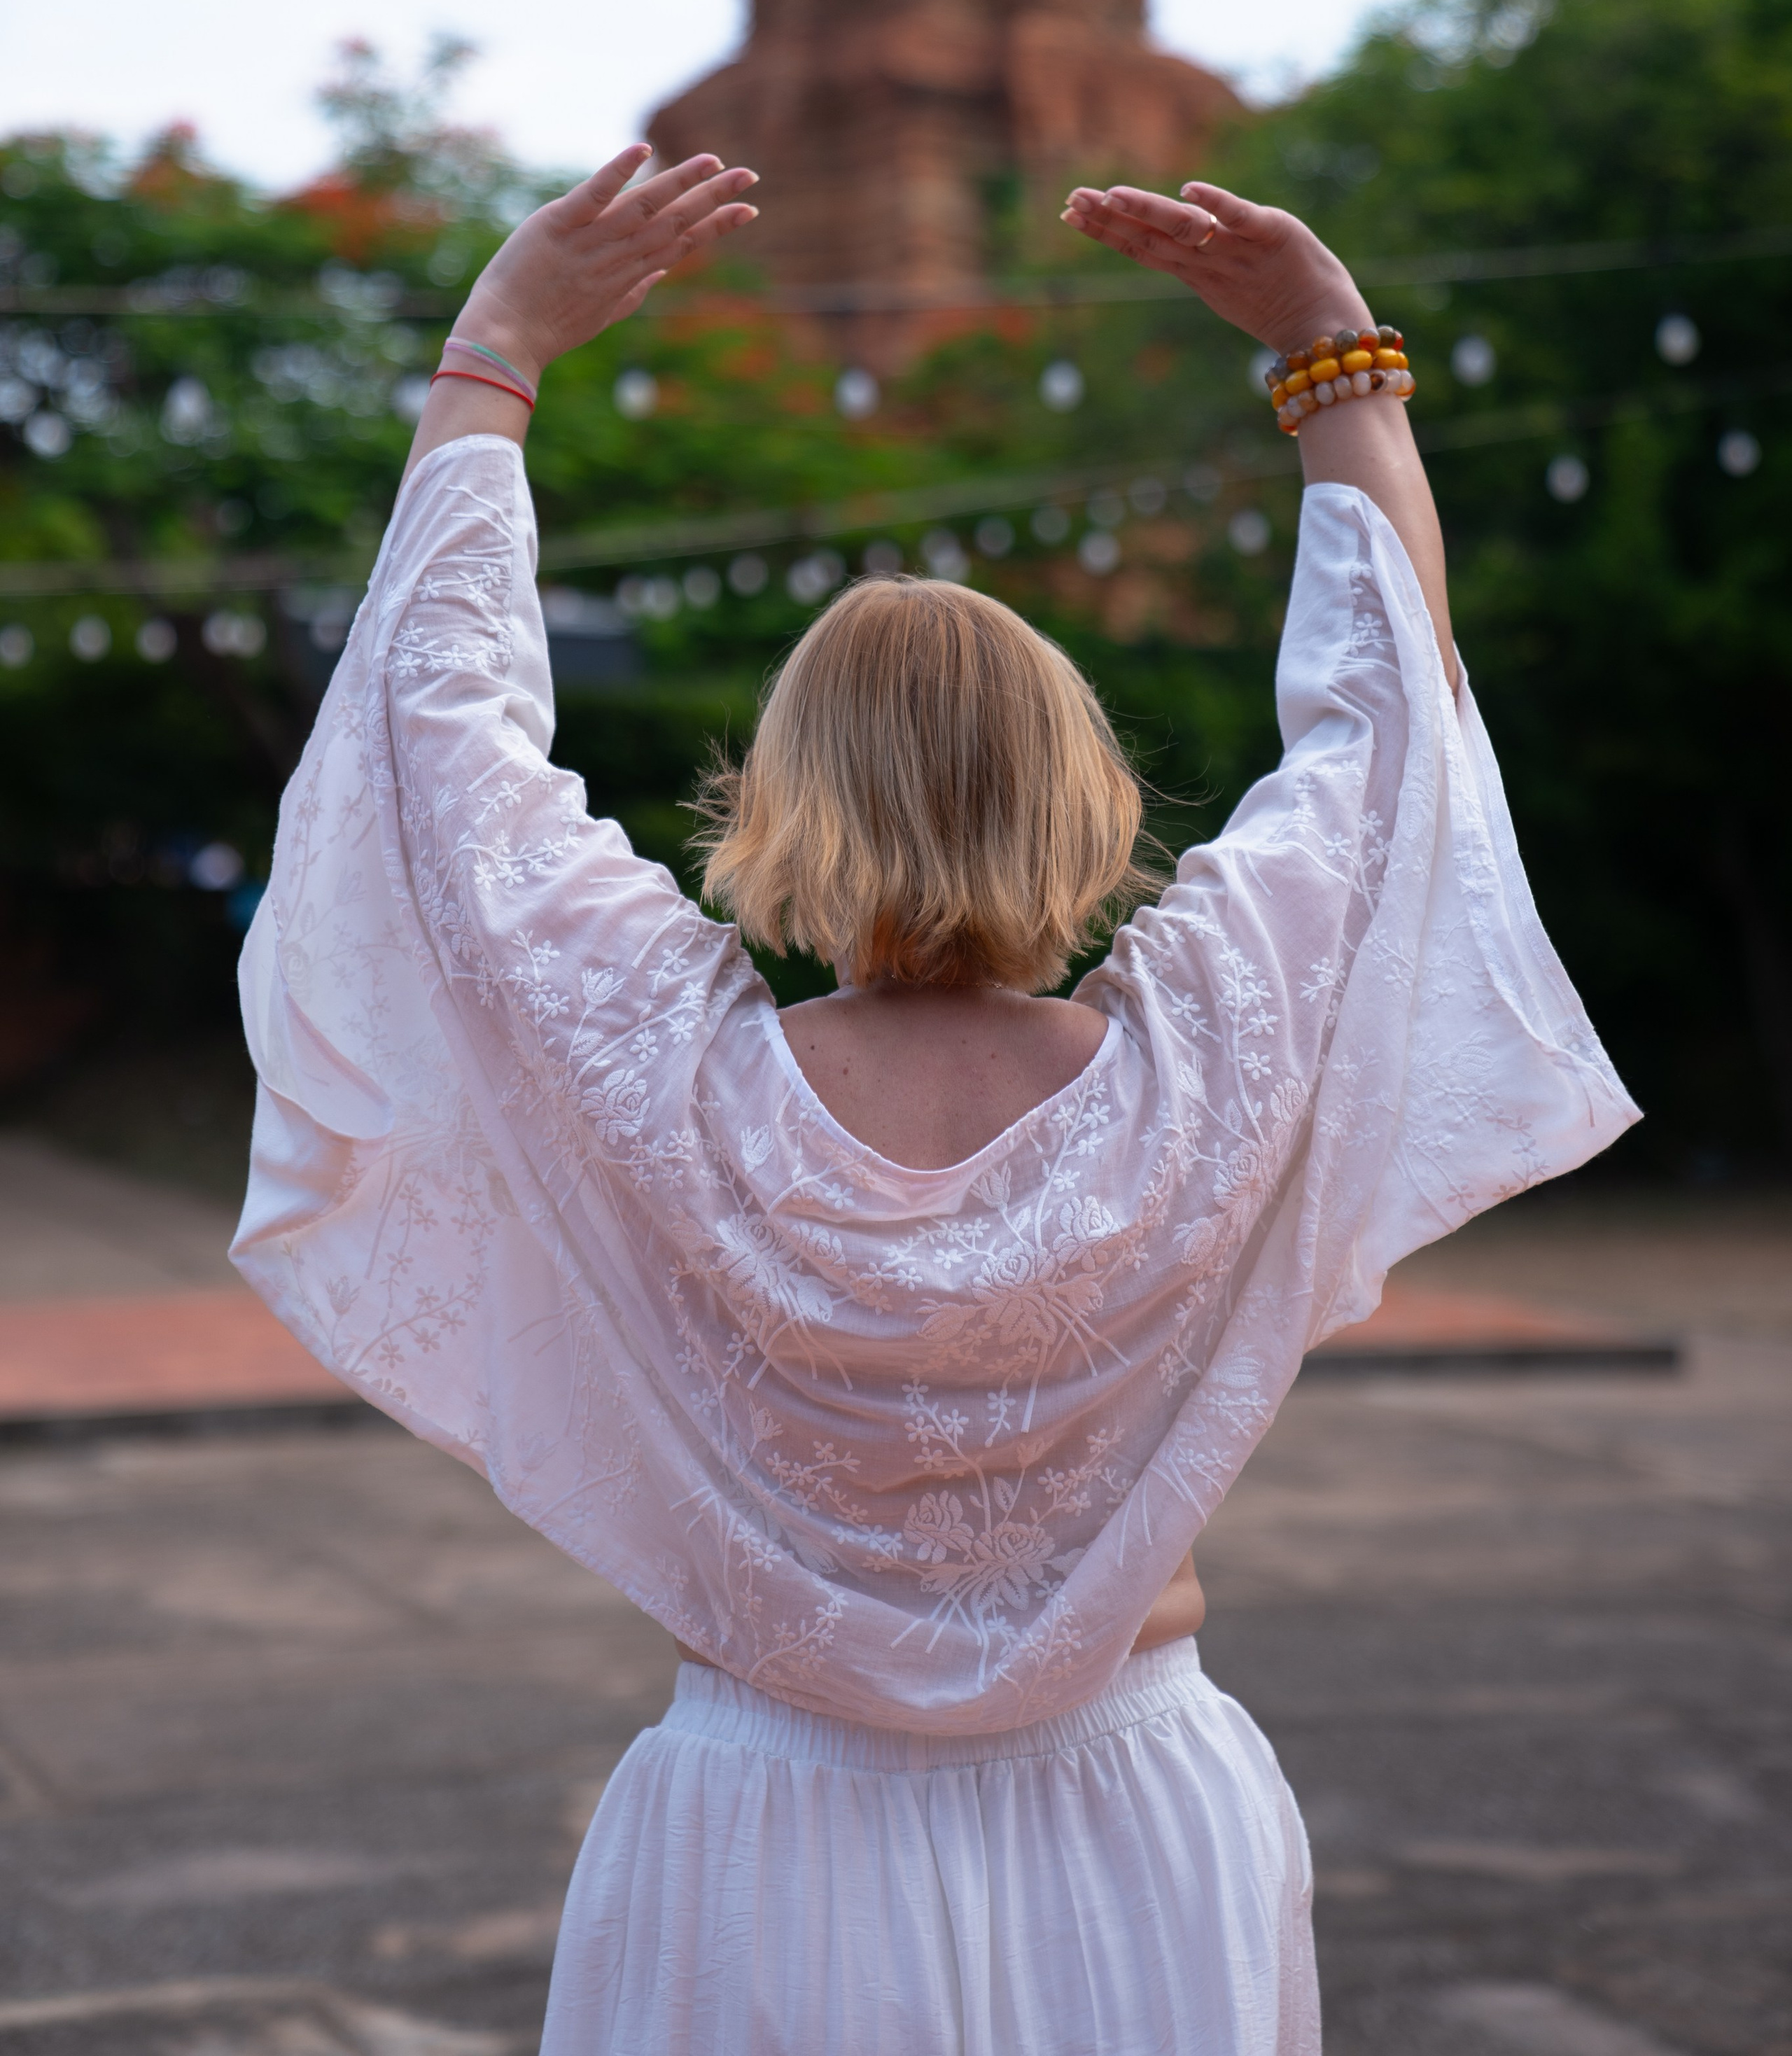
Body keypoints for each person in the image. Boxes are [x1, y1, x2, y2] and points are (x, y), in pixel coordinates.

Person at [233, 146, 1637, 2056]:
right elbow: (1390, 741)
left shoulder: (671, 1088)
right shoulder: (1206, 1064)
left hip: (758, 1829)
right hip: (1146, 1823)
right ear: (1085, 797)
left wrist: (498, 357)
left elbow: (438, 752)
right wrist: (1334, 361)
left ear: (784, 802)